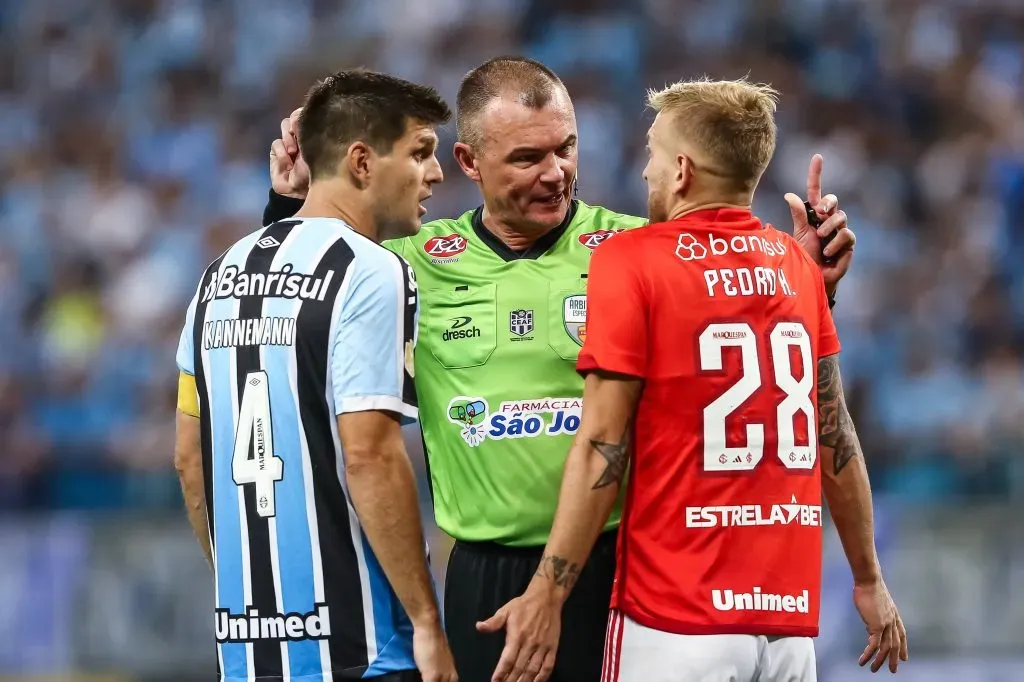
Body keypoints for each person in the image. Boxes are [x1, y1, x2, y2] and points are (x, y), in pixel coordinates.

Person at [261, 57, 857, 682]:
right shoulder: (409, 265)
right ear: (468, 162)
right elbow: (299, 305)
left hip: (626, 568)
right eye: (527, 159)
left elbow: (749, 330)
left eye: (566, 149)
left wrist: (811, 280)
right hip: (485, 577)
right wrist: (285, 204)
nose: (555, 173)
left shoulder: (634, 248)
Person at [486, 78, 906, 682]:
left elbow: (603, 443)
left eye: (653, 153)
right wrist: (868, 580)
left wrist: (547, 594)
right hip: (786, 630)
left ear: (681, 169)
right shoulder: (797, 268)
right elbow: (833, 436)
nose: (645, 172)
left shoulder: (632, 259)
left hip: (675, 620)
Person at [173, 70, 458, 682]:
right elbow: (371, 458)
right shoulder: (373, 271)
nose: (435, 174)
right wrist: (428, 624)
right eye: (420, 153)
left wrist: (249, 590)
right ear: (361, 160)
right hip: (363, 645)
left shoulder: (217, 276)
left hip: (247, 646)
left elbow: (189, 461)